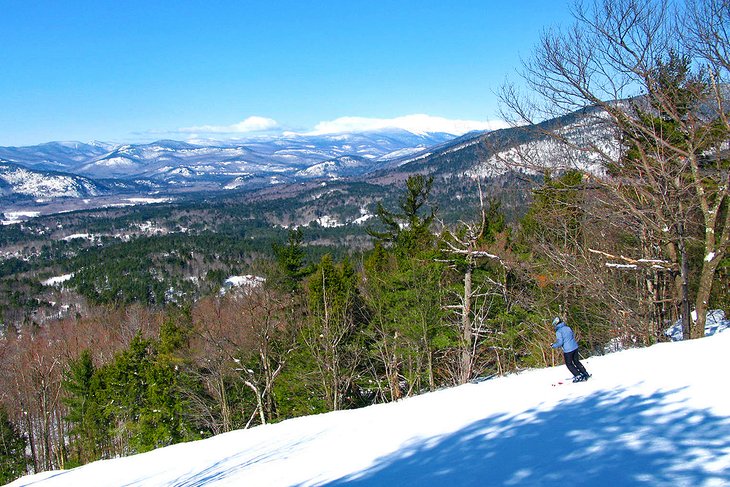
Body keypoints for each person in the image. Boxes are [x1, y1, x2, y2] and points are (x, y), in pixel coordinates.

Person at [551, 317, 590, 382]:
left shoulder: (558, 331)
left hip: (568, 350)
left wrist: (553, 345)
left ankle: (578, 375)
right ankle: (584, 373)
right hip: (575, 347)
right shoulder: (567, 328)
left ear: (556, 324)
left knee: (569, 364)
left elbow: (560, 342)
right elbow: (572, 335)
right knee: (576, 362)